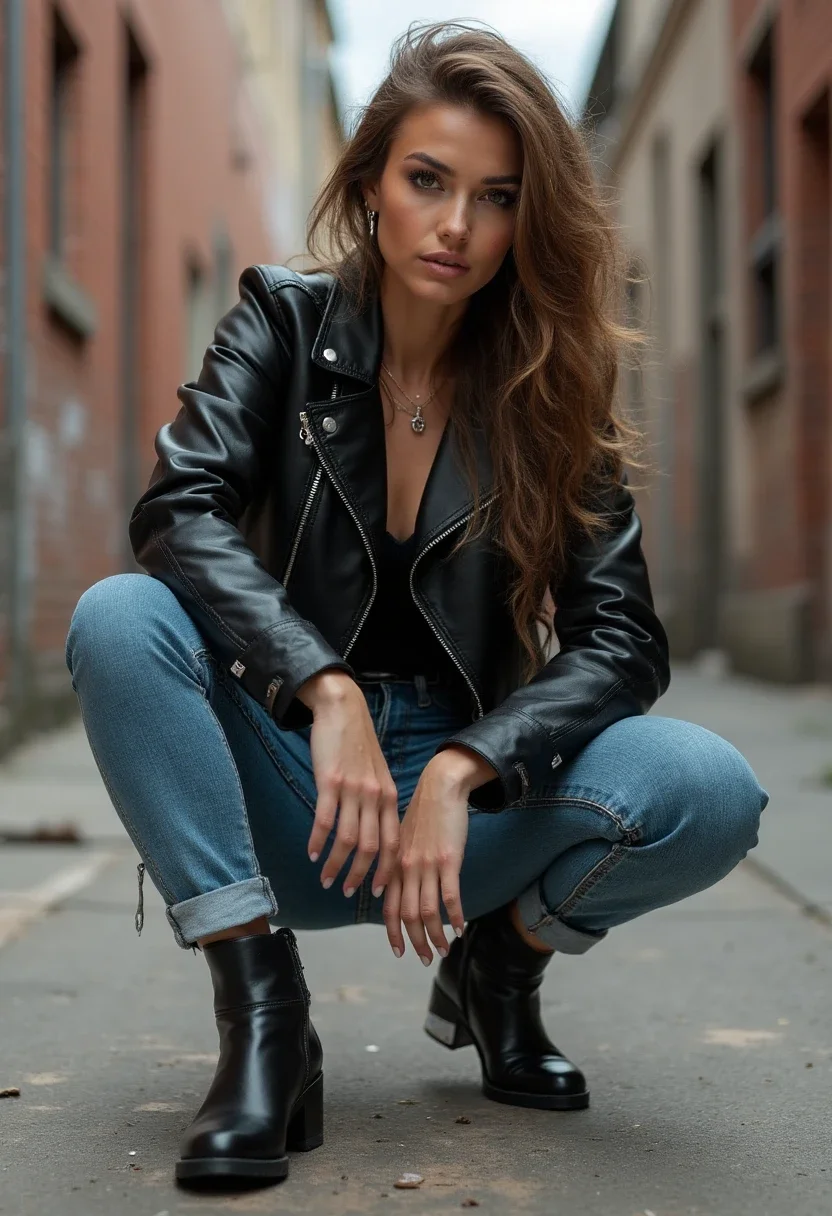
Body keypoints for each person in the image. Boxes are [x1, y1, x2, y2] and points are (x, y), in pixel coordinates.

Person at [64, 20, 769, 1192]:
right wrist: (320, 683)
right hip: (287, 793)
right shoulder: (281, 323)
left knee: (705, 787)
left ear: (524, 216)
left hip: (466, 825)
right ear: (372, 184)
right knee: (116, 619)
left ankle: (502, 966)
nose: (455, 226)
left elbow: (621, 639)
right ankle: (265, 1020)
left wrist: (465, 766)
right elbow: (177, 509)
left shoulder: (550, 379)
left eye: (495, 196)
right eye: (427, 181)